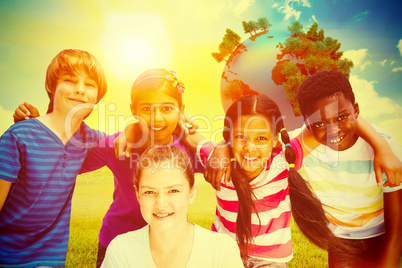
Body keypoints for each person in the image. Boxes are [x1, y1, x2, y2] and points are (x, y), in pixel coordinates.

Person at [13, 68, 210, 267]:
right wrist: (38, 128)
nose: (157, 118)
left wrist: (199, 139)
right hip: (116, 240)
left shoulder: (189, 150)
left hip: (168, 247)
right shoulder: (118, 146)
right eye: (146, 109)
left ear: (181, 109)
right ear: (134, 110)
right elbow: (64, 158)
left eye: (167, 108)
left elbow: (230, 160)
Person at [0, 49, 108, 267]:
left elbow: (135, 140)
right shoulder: (18, 137)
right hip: (6, 255)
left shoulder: (92, 141)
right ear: (51, 86)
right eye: (69, 80)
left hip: (48, 260)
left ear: (98, 97)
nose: (80, 90)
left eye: (90, 84)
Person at [297, 70, 402, 268]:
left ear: (356, 110)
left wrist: (380, 145)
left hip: (385, 233)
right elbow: (262, 148)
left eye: (341, 117)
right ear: (307, 124)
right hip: (342, 240)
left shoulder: (386, 149)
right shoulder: (303, 149)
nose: (333, 130)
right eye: (319, 124)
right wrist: (224, 149)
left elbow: (396, 233)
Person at [101, 145, 243, 268]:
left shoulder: (222, 250)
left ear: (192, 192)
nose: (161, 203)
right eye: (149, 192)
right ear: (138, 195)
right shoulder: (121, 250)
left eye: (173, 191)